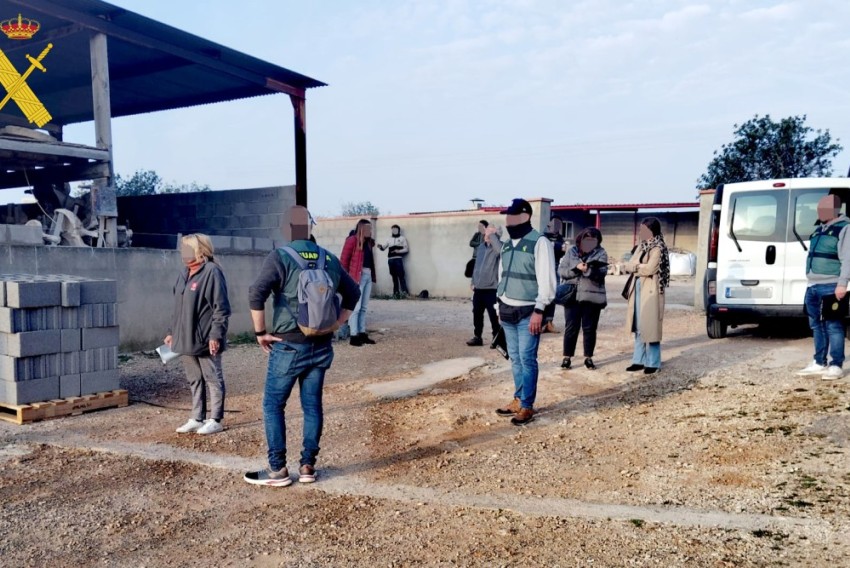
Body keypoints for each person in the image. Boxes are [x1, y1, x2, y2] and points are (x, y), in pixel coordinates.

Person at [244, 206, 360, 487]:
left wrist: (260, 332)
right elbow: (354, 292)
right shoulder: (328, 257)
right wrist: (337, 323)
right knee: (312, 406)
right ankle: (308, 467)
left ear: (288, 228)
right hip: (321, 343)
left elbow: (256, 293)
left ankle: (277, 470)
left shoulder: (280, 256)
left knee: (273, 405)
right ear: (310, 228)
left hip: (288, 344)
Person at [493, 198, 556, 425]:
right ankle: (518, 399)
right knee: (515, 359)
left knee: (527, 359)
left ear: (525, 216)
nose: (508, 220)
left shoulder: (540, 242)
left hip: (528, 312)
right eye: (507, 216)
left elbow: (548, 281)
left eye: (513, 216)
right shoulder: (507, 244)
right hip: (507, 310)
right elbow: (502, 277)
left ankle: (527, 406)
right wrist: (498, 305)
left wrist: (540, 310)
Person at [166, 233, 231, 435]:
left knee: (212, 378)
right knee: (194, 379)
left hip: (205, 338)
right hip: (185, 338)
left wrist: (215, 335)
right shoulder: (184, 273)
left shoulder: (212, 272)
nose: (183, 252)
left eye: (187, 248)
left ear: (200, 250)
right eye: (182, 249)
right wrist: (172, 332)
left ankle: (216, 420)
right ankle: (196, 418)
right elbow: (178, 307)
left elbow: (221, 308)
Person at [796, 195, 850, 380]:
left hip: (831, 285)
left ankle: (836, 365)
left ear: (835, 210)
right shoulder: (819, 229)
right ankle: (819, 362)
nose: (819, 211)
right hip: (812, 285)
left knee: (833, 326)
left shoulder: (845, 228)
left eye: (823, 208)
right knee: (816, 325)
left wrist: (842, 284)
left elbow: (847, 258)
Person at [622, 217, 670, 375]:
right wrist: (638, 266)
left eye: (644, 229)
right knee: (638, 325)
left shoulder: (658, 247)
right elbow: (628, 265)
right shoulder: (640, 246)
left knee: (650, 327)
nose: (641, 232)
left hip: (651, 290)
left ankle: (653, 363)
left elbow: (650, 269)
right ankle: (638, 360)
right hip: (636, 288)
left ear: (652, 230)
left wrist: (635, 267)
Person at [558, 227, 608, 370]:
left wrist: (588, 270)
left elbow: (602, 272)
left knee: (590, 328)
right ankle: (567, 357)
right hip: (572, 296)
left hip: (592, 296)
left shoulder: (601, 253)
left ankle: (588, 358)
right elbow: (562, 271)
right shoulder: (572, 251)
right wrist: (576, 269)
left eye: (594, 240)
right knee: (571, 328)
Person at [341, 219, 377, 346]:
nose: (370, 231)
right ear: (361, 228)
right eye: (368, 228)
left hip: (367, 275)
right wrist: (346, 280)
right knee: (355, 307)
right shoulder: (352, 240)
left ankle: (361, 333)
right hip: (356, 277)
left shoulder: (368, 243)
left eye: (371, 229)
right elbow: (344, 261)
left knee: (364, 307)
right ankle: (354, 335)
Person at [467, 225, 502, 346]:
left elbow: (499, 251)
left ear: (496, 235)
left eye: (490, 232)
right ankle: (477, 337)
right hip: (478, 288)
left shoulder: (499, 246)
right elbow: (477, 266)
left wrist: (493, 236)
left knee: (493, 315)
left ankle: (496, 339)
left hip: (492, 288)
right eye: (487, 231)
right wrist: (473, 281)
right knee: (477, 313)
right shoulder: (481, 247)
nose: (486, 234)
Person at [542, 218, 567, 333]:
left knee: (553, 294)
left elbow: (563, 250)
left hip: (555, 267)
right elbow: (546, 247)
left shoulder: (560, 238)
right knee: (543, 293)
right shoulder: (543, 236)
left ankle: (549, 322)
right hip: (543, 267)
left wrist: (556, 246)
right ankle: (541, 322)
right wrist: (557, 246)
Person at [377, 224, 410, 298]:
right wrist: (380, 247)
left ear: (398, 230)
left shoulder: (402, 238)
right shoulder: (389, 239)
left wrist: (398, 251)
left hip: (398, 259)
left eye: (396, 229)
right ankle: (396, 293)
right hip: (390, 260)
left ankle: (405, 293)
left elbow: (406, 249)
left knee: (401, 276)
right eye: (393, 229)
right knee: (394, 277)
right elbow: (383, 248)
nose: (394, 231)